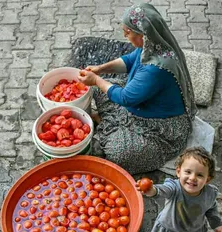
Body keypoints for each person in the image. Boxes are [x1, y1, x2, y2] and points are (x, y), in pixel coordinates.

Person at [77, 3, 197, 175]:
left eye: (128, 32)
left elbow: (126, 98)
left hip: (159, 127)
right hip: (140, 104)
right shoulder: (153, 45)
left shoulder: (156, 69)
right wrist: (100, 69)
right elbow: (128, 61)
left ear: (143, 34)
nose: (125, 36)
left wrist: (96, 80)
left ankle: (105, 124)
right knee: (98, 90)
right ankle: (105, 122)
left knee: (118, 154)